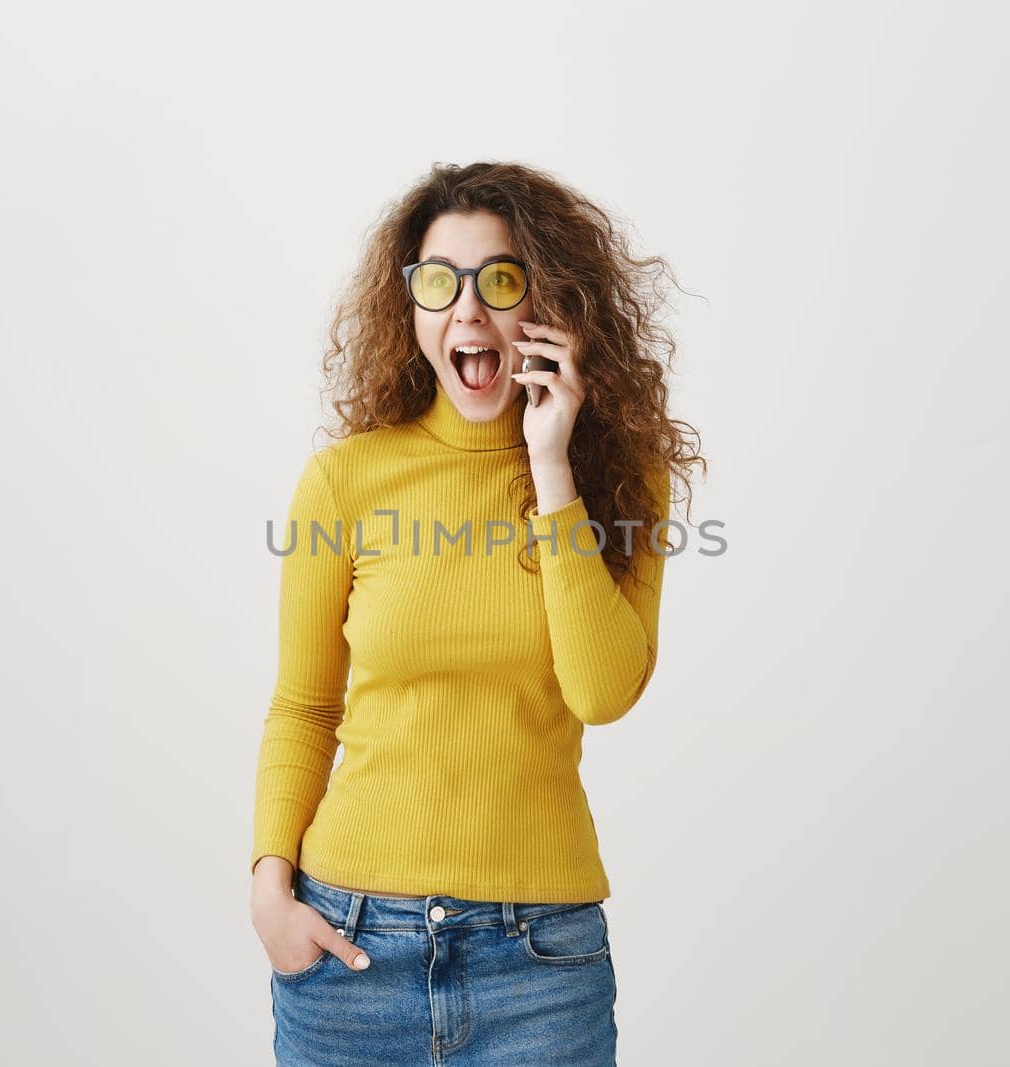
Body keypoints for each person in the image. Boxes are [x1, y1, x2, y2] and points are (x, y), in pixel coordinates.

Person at [249, 160, 703, 1065]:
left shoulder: (620, 481)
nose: (467, 312)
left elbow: (604, 690)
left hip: (541, 966)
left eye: (499, 279)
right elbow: (305, 707)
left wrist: (552, 465)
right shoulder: (345, 481)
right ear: (408, 306)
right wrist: (271, 894)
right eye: (436, 282)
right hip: (348, 957)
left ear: (553, 301)